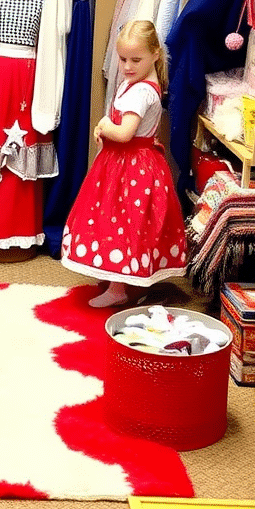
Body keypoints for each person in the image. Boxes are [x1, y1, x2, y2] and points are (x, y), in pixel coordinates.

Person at [61, 18, 187, 308]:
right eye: (122, 59)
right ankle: (122, 280)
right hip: (129, 162)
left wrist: (104, 125)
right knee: (127, 225)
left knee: (120, 223)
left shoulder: (141, 92)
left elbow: (125, 132)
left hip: (130, 166)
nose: (127, 66)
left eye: (135, 59)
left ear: (156, 54)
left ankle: (119, 289)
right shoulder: (139, 83)